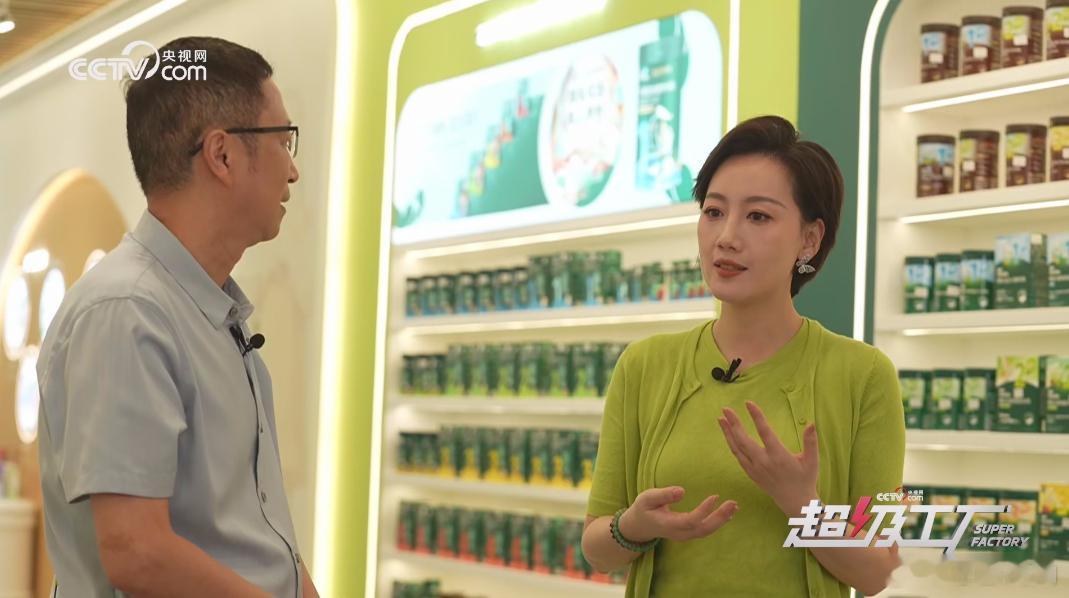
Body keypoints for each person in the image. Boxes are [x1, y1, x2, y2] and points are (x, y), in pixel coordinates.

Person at [36, 37, 316, 597]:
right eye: (283, 140)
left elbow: (258, 535)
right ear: (222, 155)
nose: (292, 171)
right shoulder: (127, 312)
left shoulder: (216, 314)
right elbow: (137, 553)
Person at [581, 116, 905, 597]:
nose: (726, 236)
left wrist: (803, 507)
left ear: (810, 239)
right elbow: (597, 549)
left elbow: (880, 572)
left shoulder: (863, 375)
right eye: (714, 211)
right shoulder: (645, 365)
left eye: (758, 217)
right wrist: (634, 525)